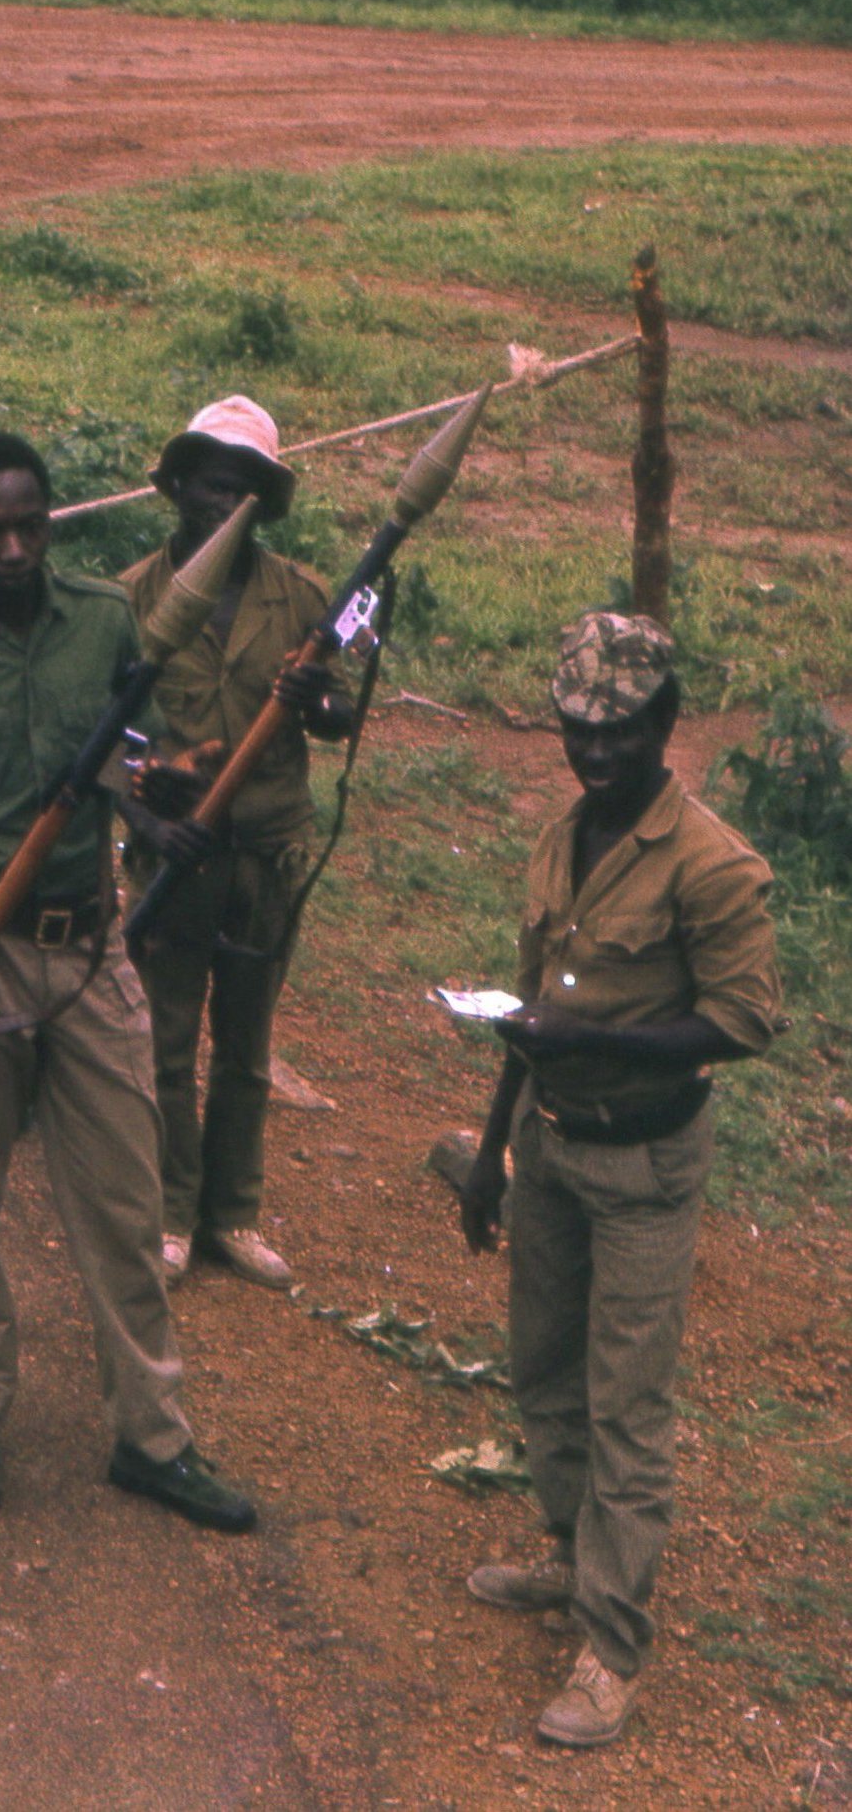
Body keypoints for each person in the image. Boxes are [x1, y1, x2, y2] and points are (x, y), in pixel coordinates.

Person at [0, 429, 256, 1532]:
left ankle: (154, 1438)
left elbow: (134, 752)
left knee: (124, 1207)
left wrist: (154, 800)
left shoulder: (106, 623)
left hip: (89, 950)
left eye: (31, 523)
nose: (16, 547)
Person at [458, 611, 784, 1748]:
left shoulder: (711, 863)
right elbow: (523, 1004)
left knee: (626, 1405)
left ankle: (611, 1645)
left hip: (644, 1156)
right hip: (548, 1142)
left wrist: (597, 1037)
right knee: (544, 1369)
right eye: (575, 730)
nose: (594, 752)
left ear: (665, 724)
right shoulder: (565, 835)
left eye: (618, 732)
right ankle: (568, 1552)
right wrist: (491, 1153)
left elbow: (746, 1019)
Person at [122, 396, 353, 1293]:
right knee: (167, 1042)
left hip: (267, 852)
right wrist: (148, 814)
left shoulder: (297, 597)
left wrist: (318, 701)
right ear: (178, 486)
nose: (225, 503)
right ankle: (171, 1212)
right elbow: (113, 738)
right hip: (176, 858)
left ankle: (233, 1213)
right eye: (212, 483)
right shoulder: (135, 599)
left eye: (245, 489)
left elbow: (338, 711)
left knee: (247, 1047)